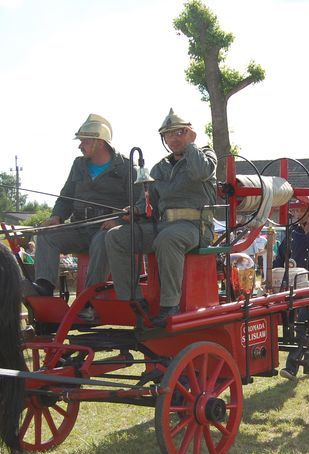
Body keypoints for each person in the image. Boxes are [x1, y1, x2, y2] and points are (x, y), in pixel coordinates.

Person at [105, 108, 217, 326]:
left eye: (179, 132)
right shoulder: (160, 168)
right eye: (169, 134)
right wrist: (134, 210)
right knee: (116, 236)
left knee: (168, 239)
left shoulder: (205, 155)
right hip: (163, 226)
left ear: (190, 133)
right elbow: (147, 202)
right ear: (163, 138)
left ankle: (169, 306)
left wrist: (192, 145)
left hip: (196, 227)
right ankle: (133, 300)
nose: (174, 138)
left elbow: (200, 173)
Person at [27, 114, 133, 318]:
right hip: (79, 228)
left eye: (84, 141)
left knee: (103, 239)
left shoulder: (127, 168)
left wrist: (119, 221)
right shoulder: (78, 165)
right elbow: (65, 197)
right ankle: (44, 288)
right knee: (46, 234)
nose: (80, 146)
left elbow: (137, 205)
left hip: (106, 231)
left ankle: (89, 300)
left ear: (99, 141)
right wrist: (57, 216)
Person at [276, 205, 309, 380]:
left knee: (303, 322)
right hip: (295, 283)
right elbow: (281, 256)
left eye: (302, 211)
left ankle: (291, 367)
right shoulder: (292, 232)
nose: (298, 214)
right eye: (296, 211)